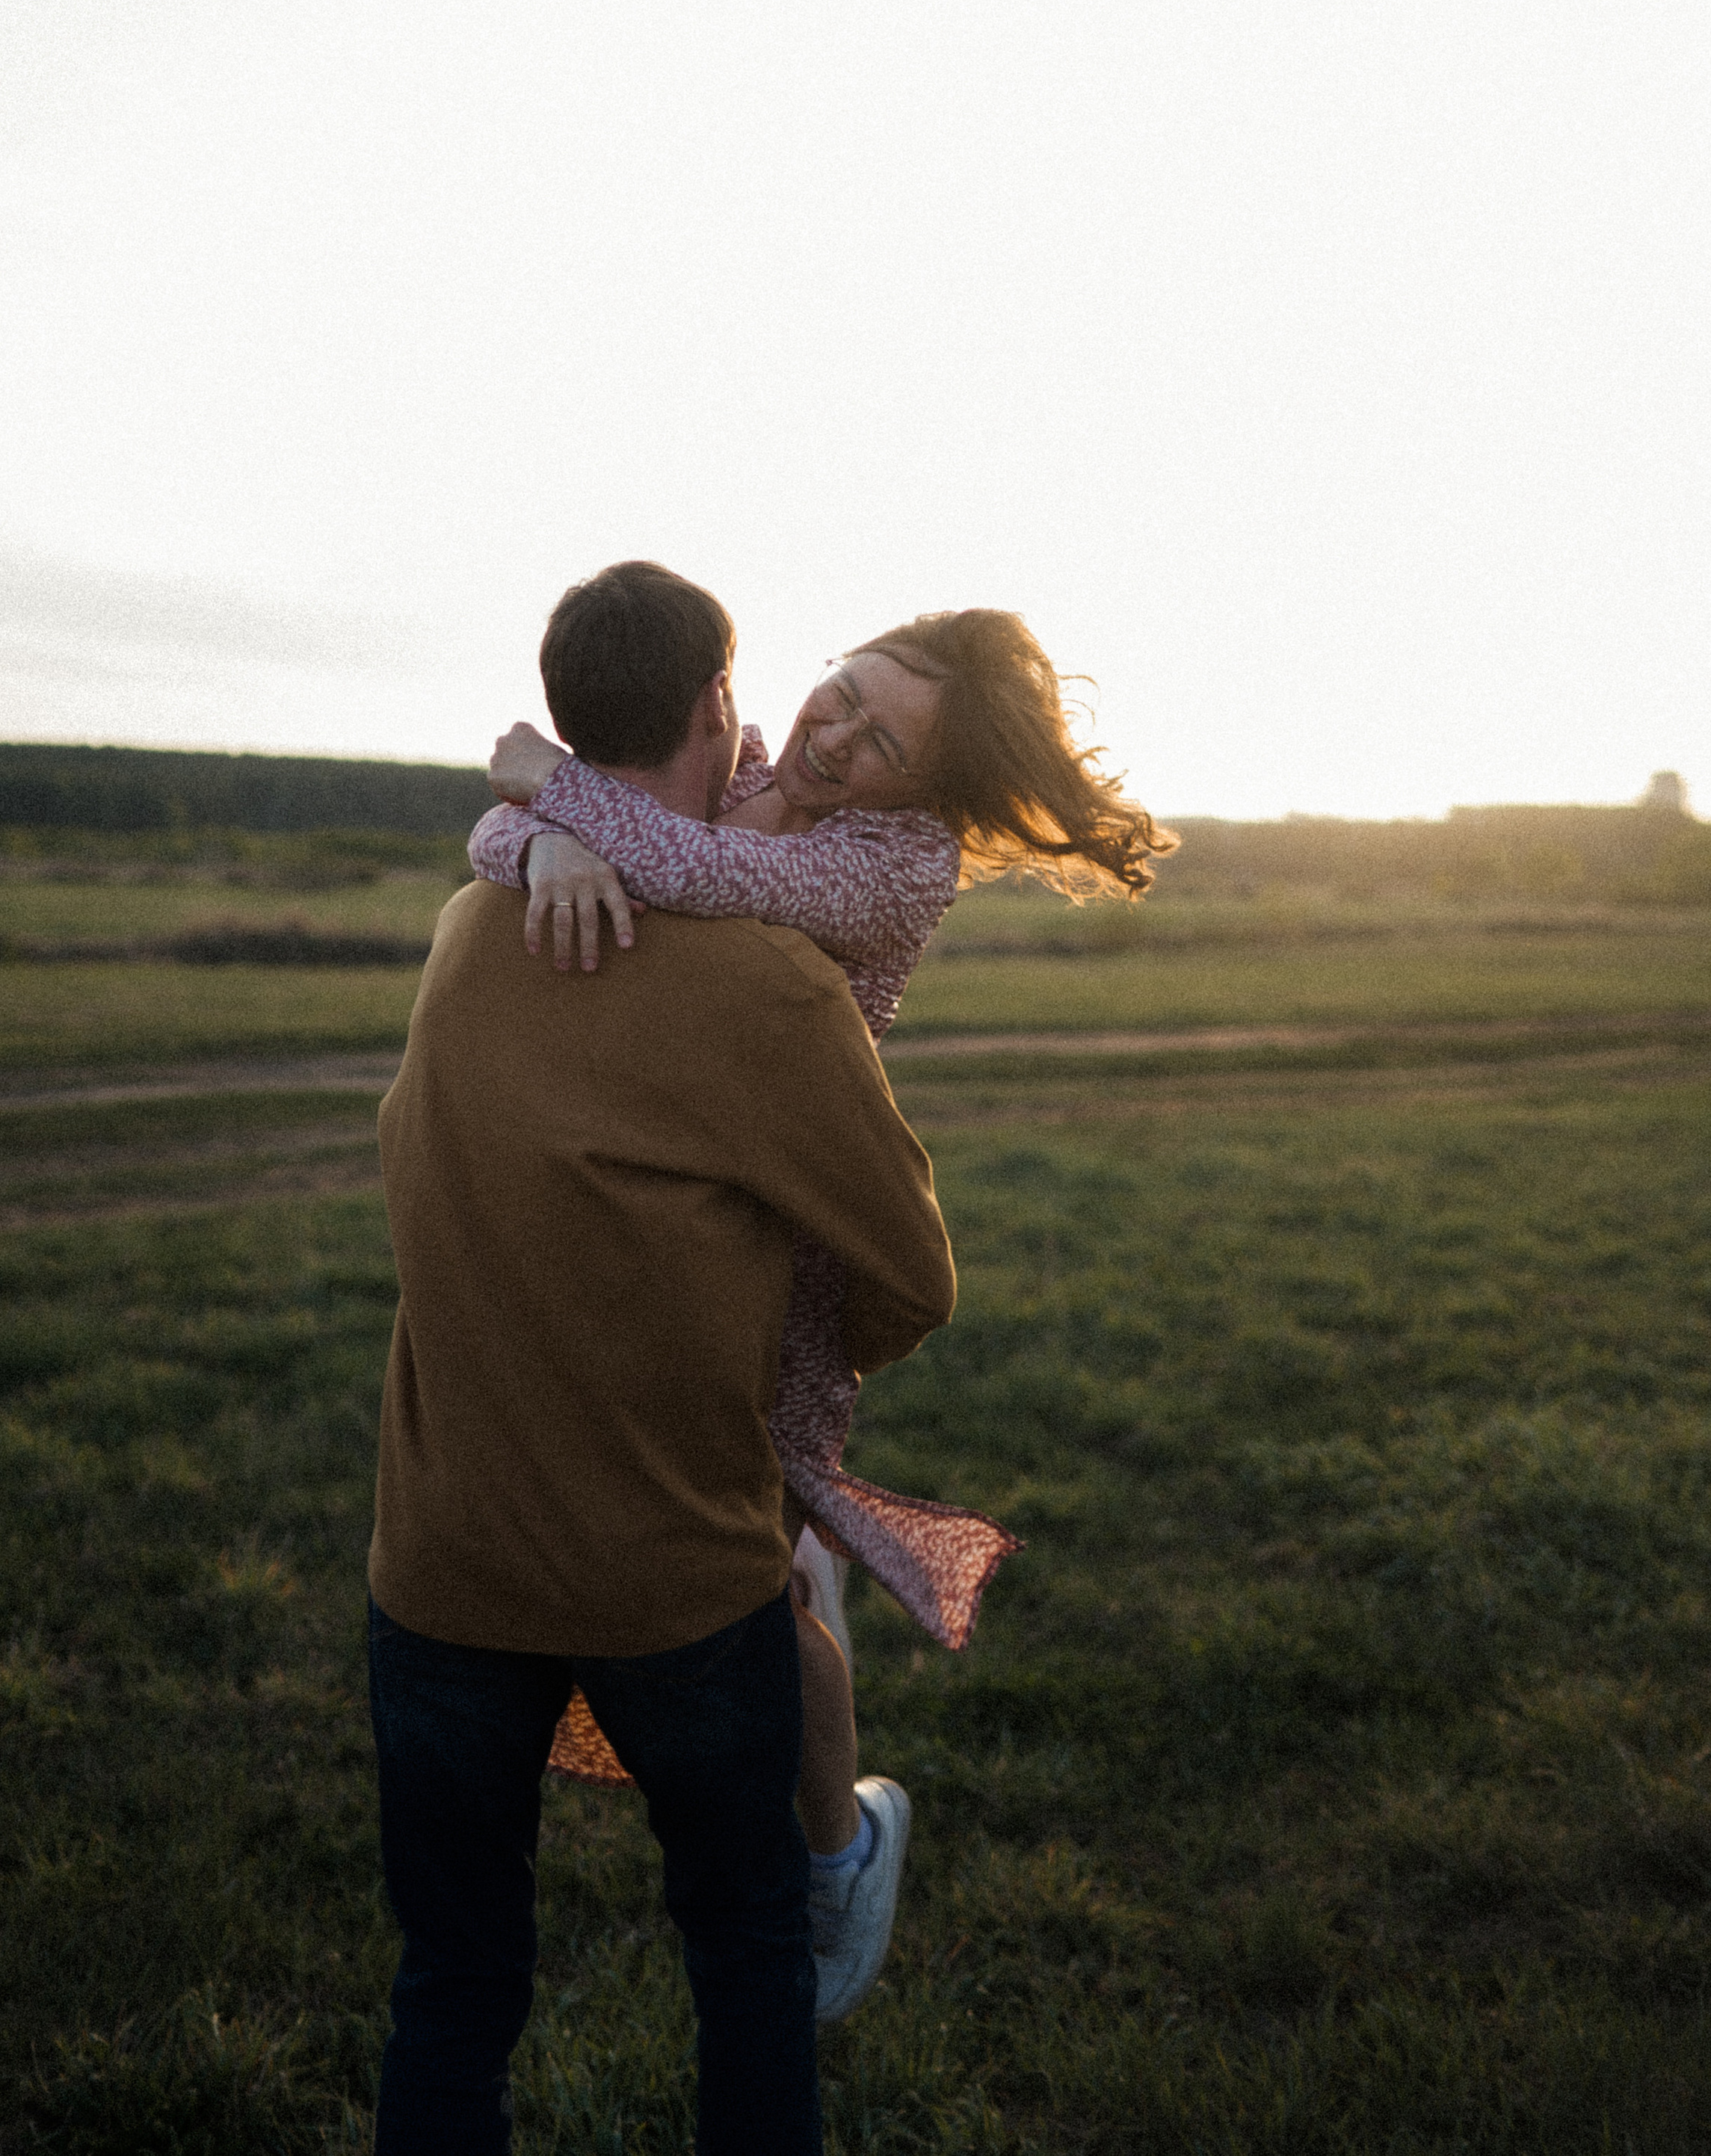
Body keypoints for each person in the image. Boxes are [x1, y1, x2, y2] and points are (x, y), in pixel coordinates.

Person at [469, 602, 1173, 1975]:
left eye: (883, 737)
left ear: (930, 788)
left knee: (755, 1585)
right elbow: (503, 847)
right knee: (710, 1544)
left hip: (780, 1250)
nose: (834, 735)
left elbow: (688, 875)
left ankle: (841, 1848)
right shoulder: (744, 779)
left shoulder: (894, 860)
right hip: (667, 1204)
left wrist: (553, 794)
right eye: (843, 692)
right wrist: (543, 833)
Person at [367, 560, 957, 2156]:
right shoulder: (764, 979)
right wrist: (787, 1357)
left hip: (438, 1563)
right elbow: (910, 1267)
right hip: (674, 1574)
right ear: (716, 705)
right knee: (746, 1964)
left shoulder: (466, 929)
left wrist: (549, 821)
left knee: (453, 1985)